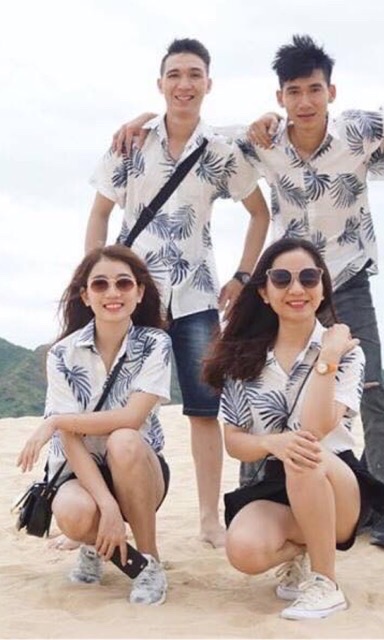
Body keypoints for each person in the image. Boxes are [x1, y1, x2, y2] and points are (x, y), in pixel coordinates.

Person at [112, 33, 384, 550]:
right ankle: (254, 496)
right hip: (287, 285)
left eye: (314, 89)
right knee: (257, 383)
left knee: (373, 393)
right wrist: (140, 121)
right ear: (280, 97)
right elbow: (190, 123)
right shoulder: (262, 141)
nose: (305, 101)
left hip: (347, 280)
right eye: (294, 92)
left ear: (331, 92)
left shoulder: (359, 130)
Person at [86, 38, 271, 548]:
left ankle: (210, 519)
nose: (184, 84)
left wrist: (244, 276)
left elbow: (260, 213)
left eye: (194, 75)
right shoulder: (131, 142)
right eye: (174, 75)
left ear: (208, 83)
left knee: (204, 410)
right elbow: (100, 212)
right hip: (130, 298)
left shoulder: (220, 149)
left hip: (196, 297)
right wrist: (95, 280)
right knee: (112, 403)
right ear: (160, 83)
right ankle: (105, 513)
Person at [202, 237, 384, 620]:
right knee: (243, 551)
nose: (297, 289)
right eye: (282, 279)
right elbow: (235, 443)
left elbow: (315, 428)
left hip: (336, 481)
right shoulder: (242, 359)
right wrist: (272, 443)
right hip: (278, 480)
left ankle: (326, 583)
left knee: (304, 452)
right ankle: (302, 550)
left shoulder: (347, 351)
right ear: (264, 292)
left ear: (323, 287)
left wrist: (327, 356)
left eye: (309, 278)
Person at [17, 245, 172, 605]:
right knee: (72, 513)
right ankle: (99, 547)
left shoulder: (155, 343)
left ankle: (150, 561)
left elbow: (132, 418)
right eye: (100, 284)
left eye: (123, 283)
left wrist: (57, 420)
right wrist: (108, 507)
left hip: (140, 468)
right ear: (86, 296)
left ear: (139, 292)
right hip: (81, 472)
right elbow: (71, 439)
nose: (113, 292)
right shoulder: (62, 354)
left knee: (124, 439)